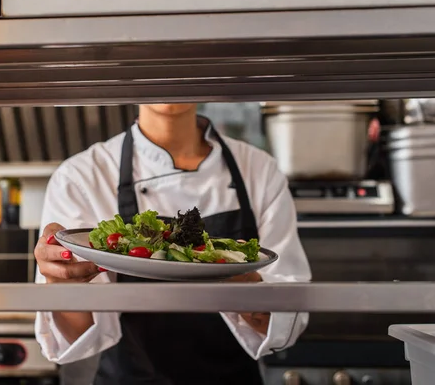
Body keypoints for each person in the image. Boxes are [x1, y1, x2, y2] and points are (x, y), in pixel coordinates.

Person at [34, 103, 312, 385]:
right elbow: (70, 338)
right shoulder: (82, 176)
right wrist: (62, 284)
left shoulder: (258, 169)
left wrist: (238, 271)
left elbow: (288, 318)